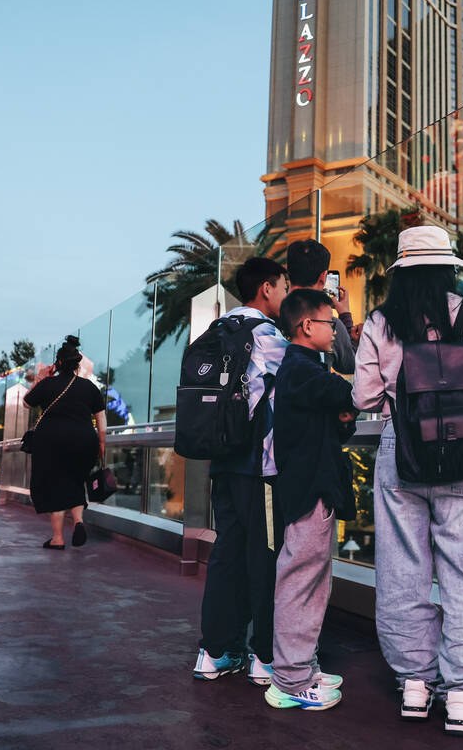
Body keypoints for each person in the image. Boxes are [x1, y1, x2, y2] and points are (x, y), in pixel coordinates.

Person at [352, 225, 463, 736]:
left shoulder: (382, 320)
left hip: (404, 451)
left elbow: (363, 399)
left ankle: (415, 685)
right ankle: (462, 693)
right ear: (448, 268)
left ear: (400, 270)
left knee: (403, 570)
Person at [191, 257, 289, 685]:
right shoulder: (266, 335)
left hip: (222, 463)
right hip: (260, 466)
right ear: (266, 288)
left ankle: (214, 652)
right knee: (264, 557)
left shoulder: (215, 332)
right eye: (283, 286)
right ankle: (265, 658)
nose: (285, 294)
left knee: (227, 553)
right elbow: (302, 379)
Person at [264, 289, 355, 711]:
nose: (335, 330)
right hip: (307, 489)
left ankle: (301, 665)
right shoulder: (300, 368)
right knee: (301, 578)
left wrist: (340, 413)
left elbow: (339, 419)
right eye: (330, 323)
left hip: (312, 485)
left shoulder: (303, 369)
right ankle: (290, 681)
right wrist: (342, 403)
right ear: (306, 326)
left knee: (313, 578)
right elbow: (347, 393)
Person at [23, 336, 106, 549]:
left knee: (54, 485)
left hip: (51, 441)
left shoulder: (48, 384)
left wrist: (40, 378)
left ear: (57, 364)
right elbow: (100, 418)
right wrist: (102, 443)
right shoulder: (89, 387)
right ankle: (78, 521)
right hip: (84, 440)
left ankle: (58, 538)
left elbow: (26, 403)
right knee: (76, 481)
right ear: (77, 364)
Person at [285, 238, 358, 374]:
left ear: (288, 273)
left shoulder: (272, 313)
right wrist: (345, 316)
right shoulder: (327, 324)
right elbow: (350, 365)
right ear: (323, 277)